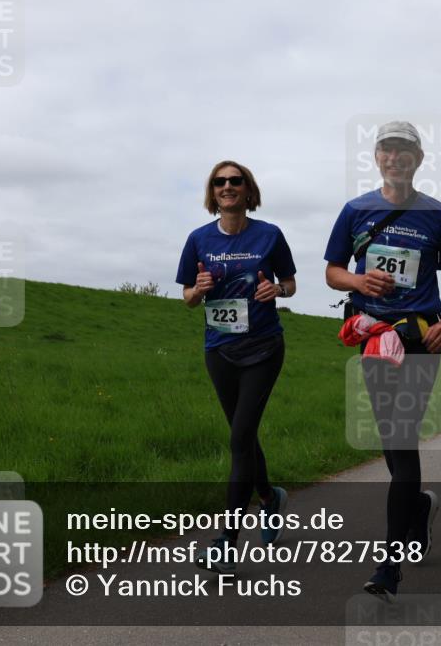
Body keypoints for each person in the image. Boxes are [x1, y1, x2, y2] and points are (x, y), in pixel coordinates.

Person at [325, 120, 441, 602]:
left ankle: (390, 565)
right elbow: (332, 271)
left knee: (401, 442)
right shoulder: (355, 210)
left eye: (405, 151)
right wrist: (358, 283)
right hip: (374, 337)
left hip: (421, 338)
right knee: (394, 445)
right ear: (377, 157)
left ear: (418, 160)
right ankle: (420, 511)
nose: (396, 157)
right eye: (388, 149)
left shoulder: (439, 214)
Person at [176, 160, 297, 574]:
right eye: (219, 181)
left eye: (235, 180)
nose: (227, 187)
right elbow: (187, 298)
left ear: (248, 190)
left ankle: (226, 539)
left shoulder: (270, 235)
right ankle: (269, 497)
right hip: (219, 350)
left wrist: (276, 289)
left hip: (263, 347)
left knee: (240, 436)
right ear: (213, 192)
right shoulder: (198, 239)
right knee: (241, 437)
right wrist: (199, 290)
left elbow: (291, 285)